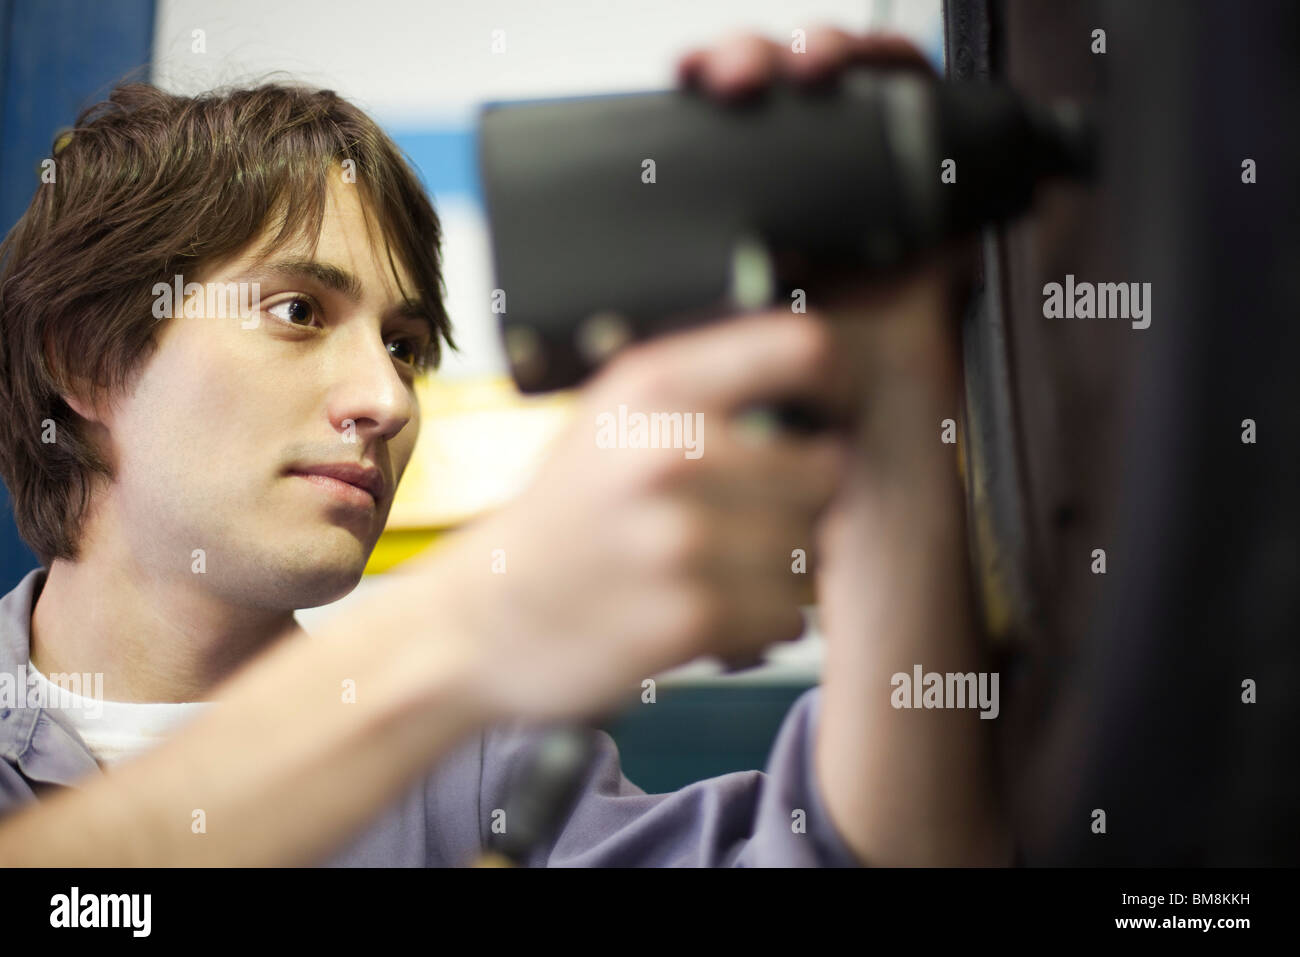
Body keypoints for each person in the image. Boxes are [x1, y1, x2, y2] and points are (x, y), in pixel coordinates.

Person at [0, 28, 1009, 866]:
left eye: (403, 346)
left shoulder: (478, 767)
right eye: (299, 310)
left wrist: (890, 392)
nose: (385, 398)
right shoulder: (449, 686)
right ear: (87, 360)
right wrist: (470, 629)